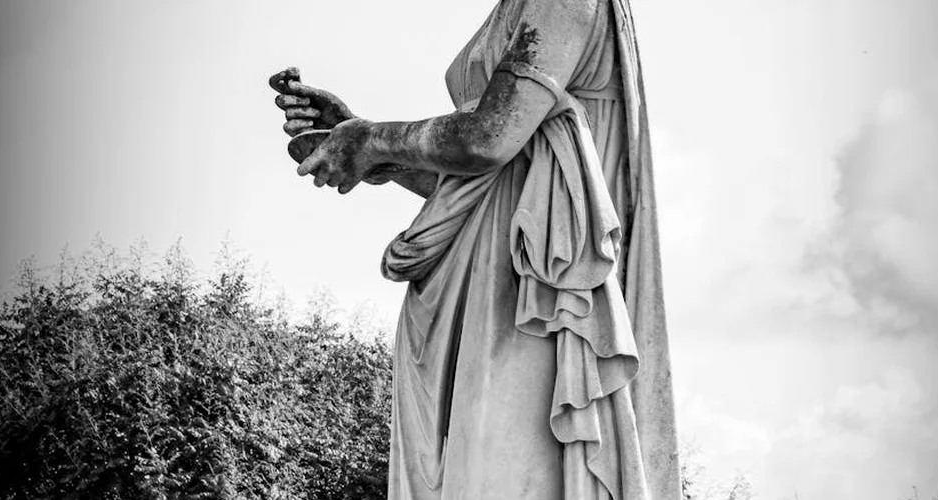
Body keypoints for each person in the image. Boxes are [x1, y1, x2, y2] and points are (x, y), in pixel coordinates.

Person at [269, 0, 679, 498]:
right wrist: (365, 146)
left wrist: (373, 140)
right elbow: (493, 183)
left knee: (508, 473)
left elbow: (489, 137)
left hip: (536, 297)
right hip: (482, 286)